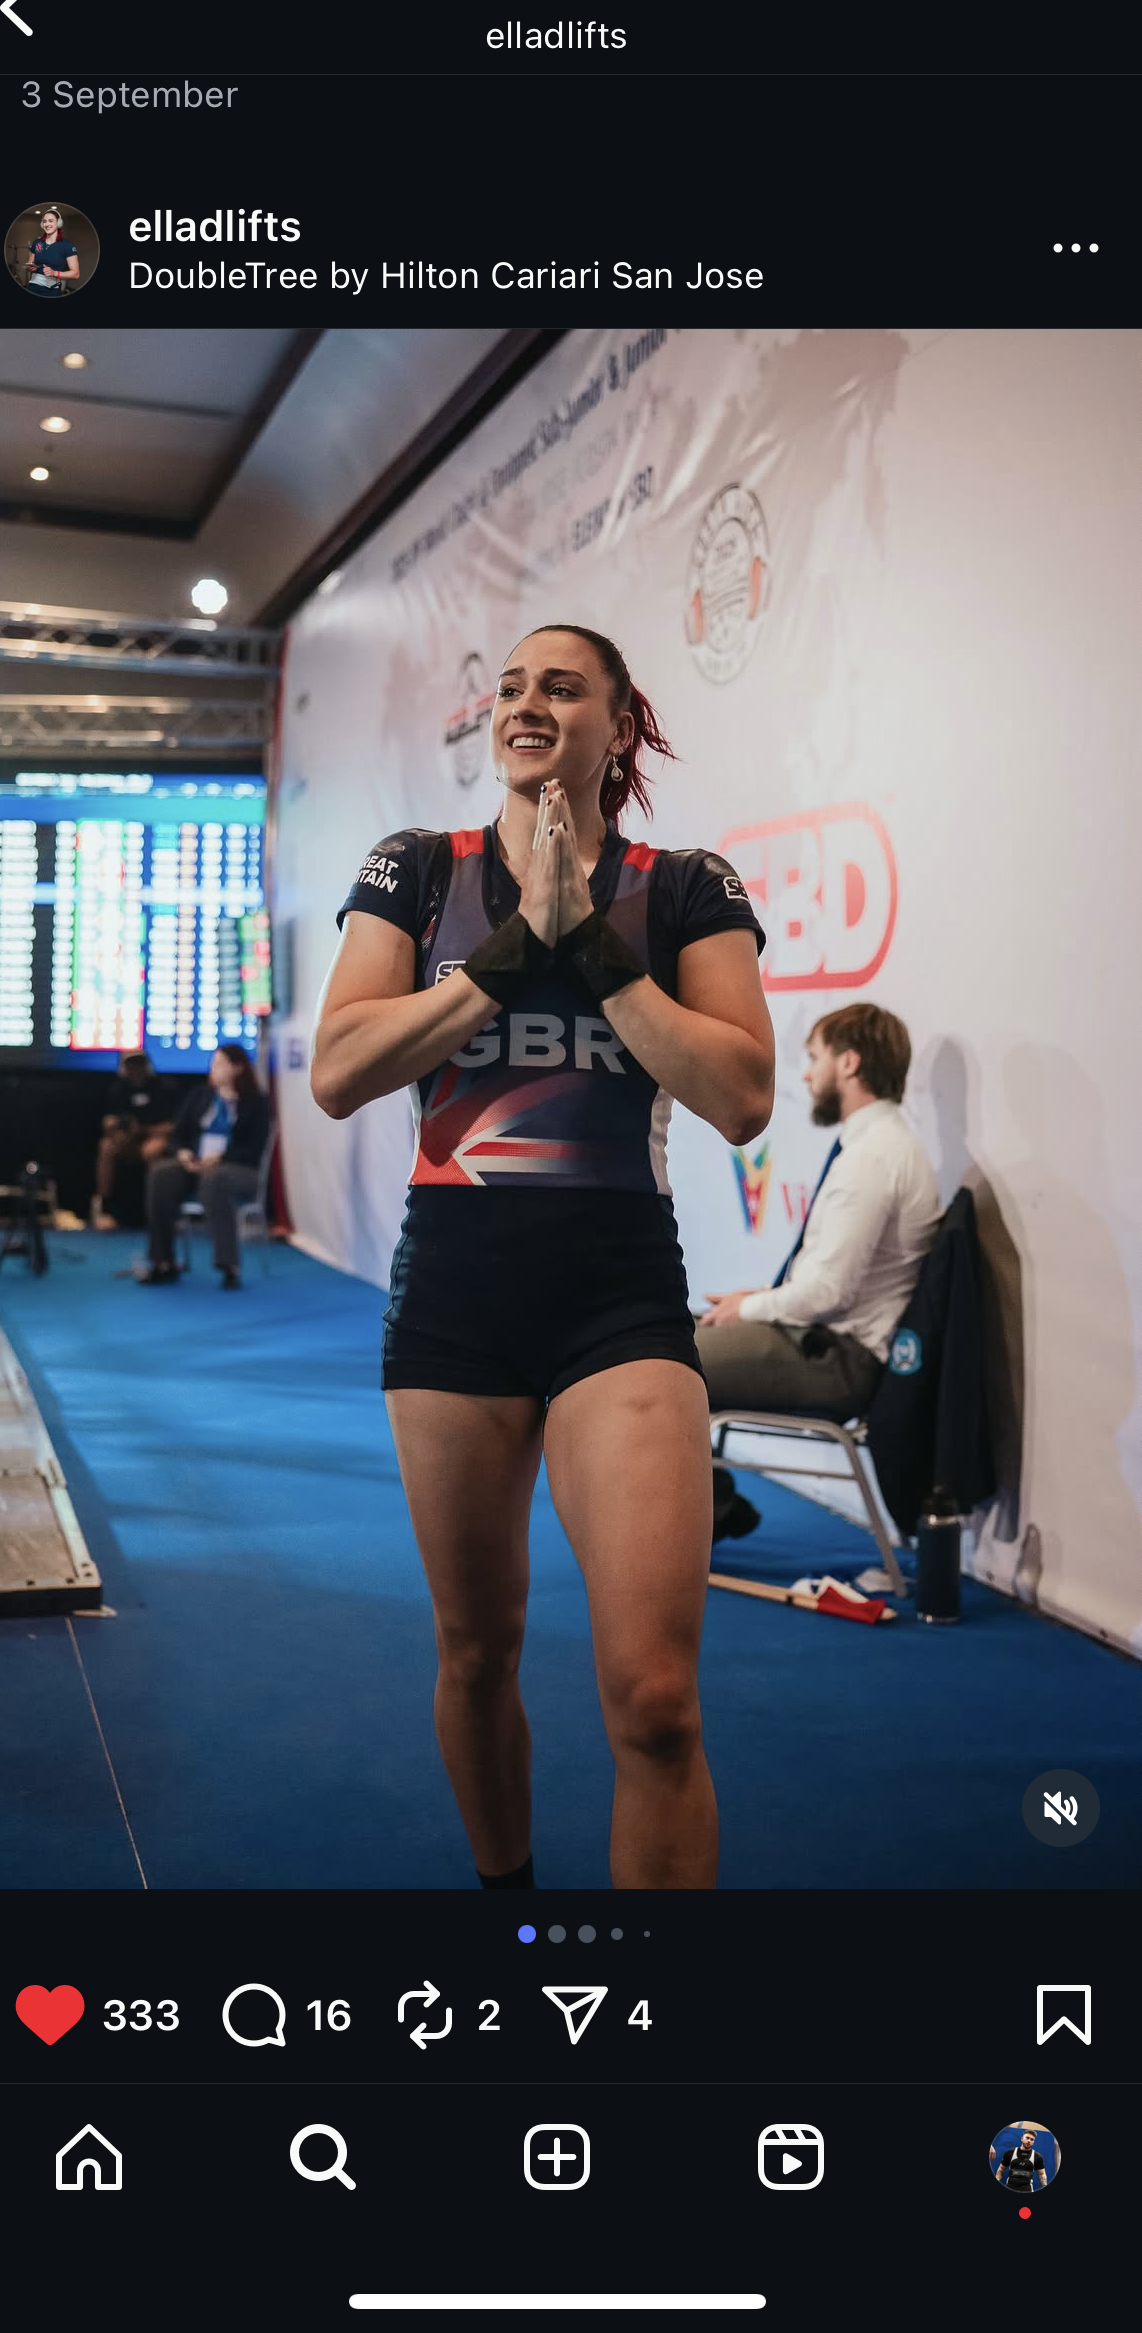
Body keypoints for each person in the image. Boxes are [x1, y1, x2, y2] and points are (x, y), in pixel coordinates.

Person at [311, 622, 774, 1890]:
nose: (527, 703)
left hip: (618, 1297)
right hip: (455, 1297)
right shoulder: (419, 869)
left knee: (659, 1699)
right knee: (477, 1652)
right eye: (511, 686)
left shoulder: (683, 885)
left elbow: (742, 1096)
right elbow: (342, 1070)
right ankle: (507, 1902)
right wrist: (510, 962)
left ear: (618, 727)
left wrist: (596, 952)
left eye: (562, 687)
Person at [698, 1005, 939, 1538]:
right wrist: (757, 1298)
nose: (805, 1073)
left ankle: (703, 1514)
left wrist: (753, 1306)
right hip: (825, 1339)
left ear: (849, 1063)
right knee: (664, 1339)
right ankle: (710, 1508)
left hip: (839, 1360)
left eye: (814, 1058)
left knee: (671, 1361)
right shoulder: (873, 1146)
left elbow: (829, 1292)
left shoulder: (873, 1158)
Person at [136, 1043, 270, 1289]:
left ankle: (228, 1265)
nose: (213, 1069)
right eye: (213, 1063)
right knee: (161, 1174)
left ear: (237, 1068)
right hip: (196, 1165)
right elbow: (177, 1137)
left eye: (220, 1064)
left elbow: (253, 1149)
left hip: (237, 1169)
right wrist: (185, 1154)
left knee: (215, 1179)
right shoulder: (200, 1096)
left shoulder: (255, 1103)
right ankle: (163, 1261)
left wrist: (221, 1158)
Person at [90, 1050, 175, 1230]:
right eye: (131, 1064)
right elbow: (107, 1121)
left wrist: (144, 1129)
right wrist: (116, 1127)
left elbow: (173, 1126)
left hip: (153, 1139)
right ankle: (103, 1209)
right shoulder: (117, 1089)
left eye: (139, 1064)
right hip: (128, 1143)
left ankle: (157, 1212)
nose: (136, 1069)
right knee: (106, 1146)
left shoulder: (163, 1088)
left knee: (154, 1149)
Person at [25, 208, 79, 297]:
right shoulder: (37, 242)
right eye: (44, 221)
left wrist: (54, 273)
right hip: (32, 287)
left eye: (50, 221)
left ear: (58, 223)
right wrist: (30, 267)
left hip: (52, 291)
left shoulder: (67, 245)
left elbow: (75, 274)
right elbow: (30, 263)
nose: (47, 224)